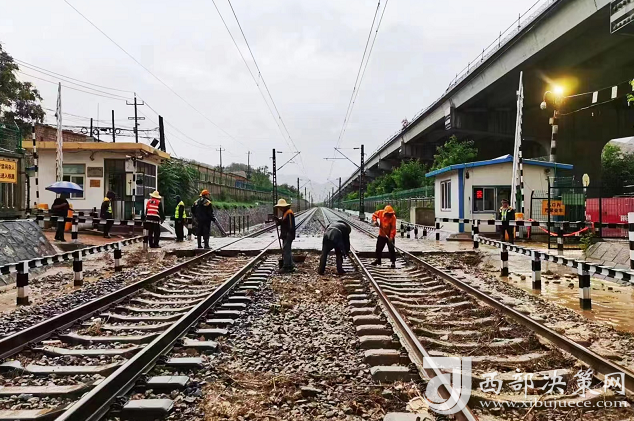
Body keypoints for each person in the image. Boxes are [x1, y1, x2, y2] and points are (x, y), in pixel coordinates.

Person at [275, 198, 296, 272]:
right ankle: (291, 265)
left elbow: (290, 225)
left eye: (280, 207)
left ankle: (286, 266)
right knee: (287, 250)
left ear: (284, 206)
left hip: (288, 234)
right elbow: (284, 222)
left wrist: (288, 234)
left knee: (286, 250)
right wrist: (279, 221)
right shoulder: (285, 212)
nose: (280, 209)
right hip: (285, 234)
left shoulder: (289, 213)